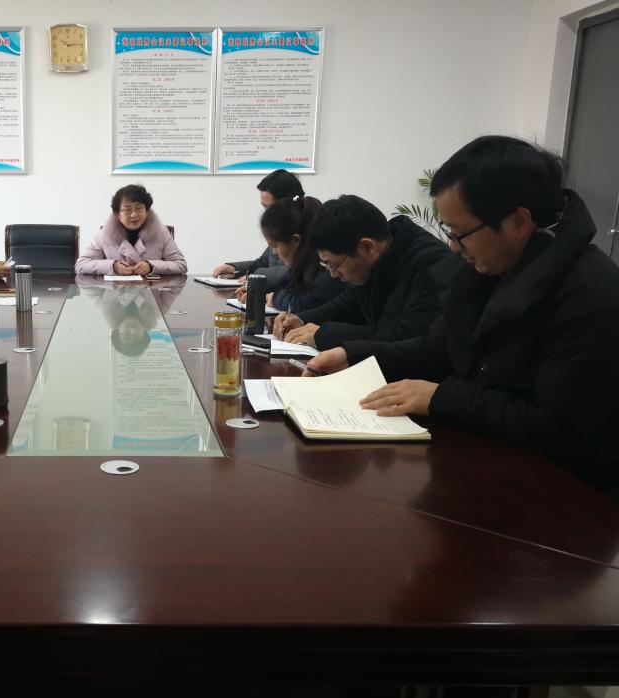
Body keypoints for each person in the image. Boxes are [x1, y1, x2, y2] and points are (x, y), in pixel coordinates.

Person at [308, 136, 619, 495]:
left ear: (518, 222)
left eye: (460, 233)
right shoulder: (488, 268)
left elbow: (554, 427)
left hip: (560, 498)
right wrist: (353, 354)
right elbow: (439, 348)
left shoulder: (592, 295)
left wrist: (440, 397)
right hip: (484, 467)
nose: (453, 247)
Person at [276, 194, 452, 349]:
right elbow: (344, 305)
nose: (333, 274)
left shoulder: (431, 264)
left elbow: (406, 340)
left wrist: (324, 334)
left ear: (367, 247)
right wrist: (302, 319)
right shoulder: (375, 257)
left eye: (334, 266)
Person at [212, 169, 305, 286]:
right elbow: (263, 262)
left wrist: (256, 276)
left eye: (269, 207)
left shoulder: (307, 229)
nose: (267, 213)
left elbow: (296, 270)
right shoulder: (278, 229)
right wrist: (234, 268)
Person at [75, 184, 187, 276]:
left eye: (139, 208)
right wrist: (112, 266)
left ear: (147, 211)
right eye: (127, 210)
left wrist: (151, 266)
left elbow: (181, 265)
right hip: (117, 294)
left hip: (151, 293)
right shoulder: (105, 234)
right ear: (117, 214)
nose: (134, 215)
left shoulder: (161, 232)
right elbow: (81, 264)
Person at [259, 196, 343, 314]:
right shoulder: (300, 264)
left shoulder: (328, 266)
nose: (273, 252)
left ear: (295, 240)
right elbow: (280, 288)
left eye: (275, 246)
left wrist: (275, 298)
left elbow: (303, 303)